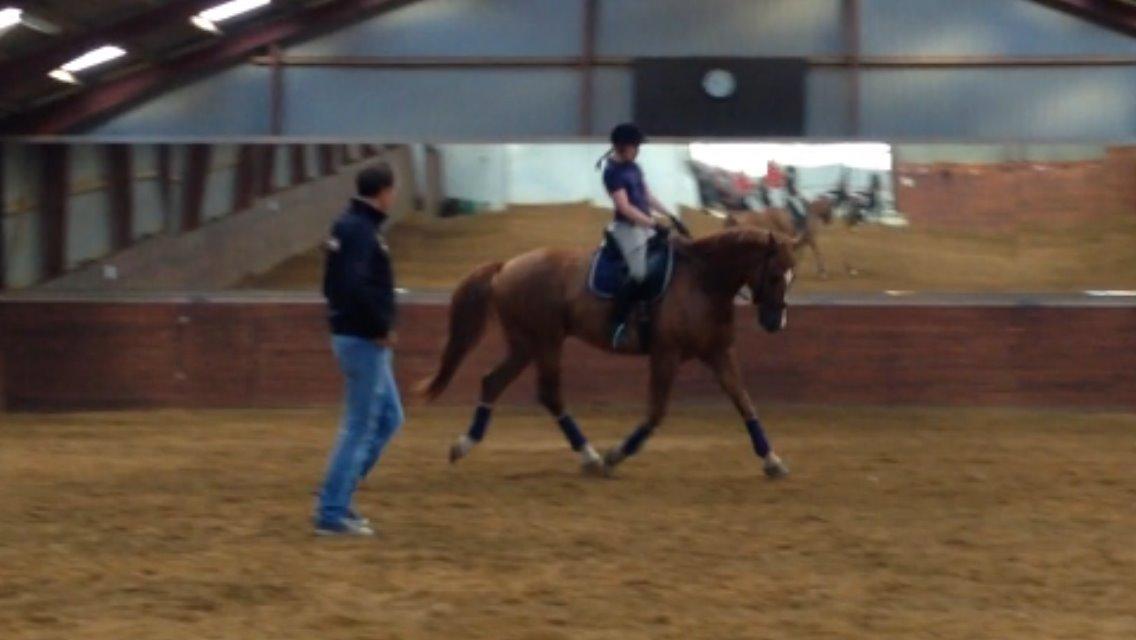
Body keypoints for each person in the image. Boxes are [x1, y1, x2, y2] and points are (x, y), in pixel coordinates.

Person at [314, 164, 404, 537]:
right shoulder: (361, 231)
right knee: (359, 425)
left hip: (356, 334)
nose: (394, 196)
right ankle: (332, 510)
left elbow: (331, 285)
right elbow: (352, 287)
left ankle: (338, 493)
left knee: (389, 417)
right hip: (363, 339)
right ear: (383, 192)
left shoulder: (349, 225)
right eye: (392, 190)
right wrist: (378, 327)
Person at [600, 123, 673, 349]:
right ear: (622, 147)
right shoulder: (612, 172)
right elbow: (624, 207)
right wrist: (654, 224)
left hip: (645, 224)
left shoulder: (634, 167)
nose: (638, 150)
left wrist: (670, 215)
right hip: (627, 228)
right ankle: (618, 323)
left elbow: (647, 195)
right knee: (639, 273)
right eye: (635, 146)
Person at [784, 165, 808, 233]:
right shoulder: (790, 179)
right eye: (794, 172)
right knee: (802, 211)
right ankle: (800, 227)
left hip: (790, 196)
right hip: (791, 197)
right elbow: (793, 190)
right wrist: (798, 194)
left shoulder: (789, 178)